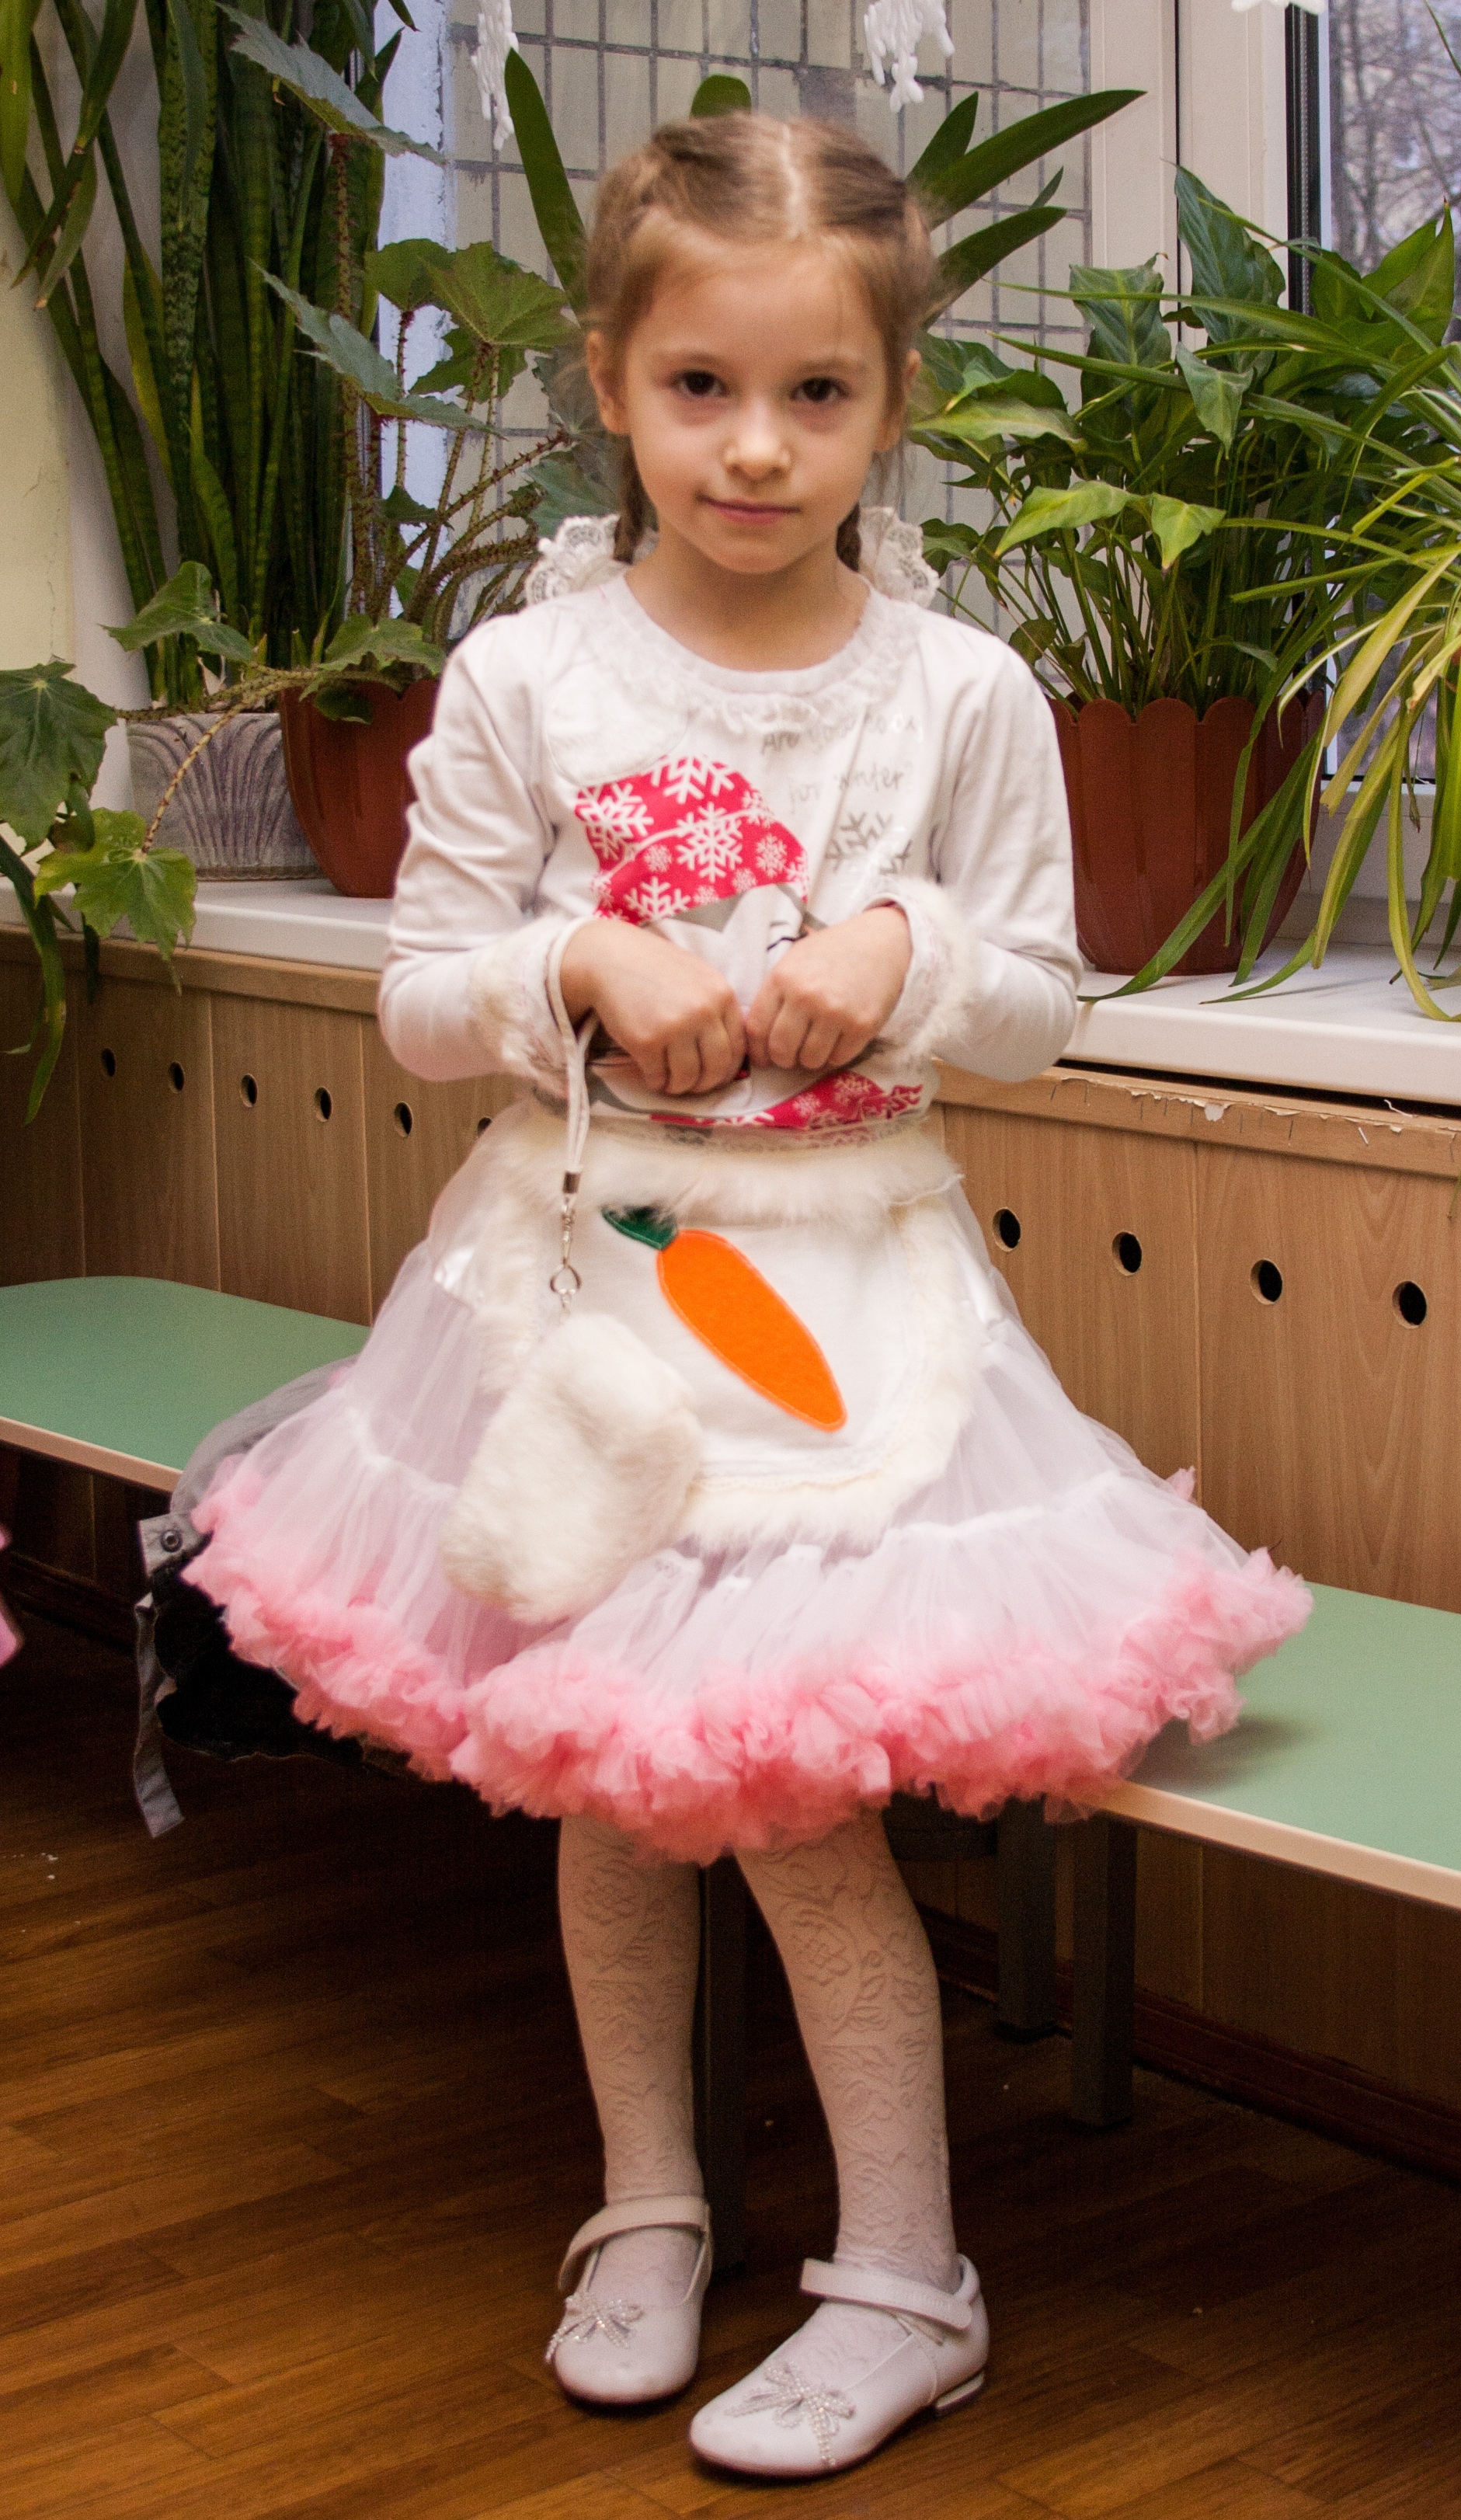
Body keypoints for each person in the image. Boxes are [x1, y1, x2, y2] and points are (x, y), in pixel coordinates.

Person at [186, 112, 1310, 2482]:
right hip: (575, 1298)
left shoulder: (957, 691)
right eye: (700, 385)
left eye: (816, 392)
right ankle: (649, 2201)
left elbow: (1041, 995)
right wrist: (577, 958)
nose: (756, 445)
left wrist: (904, 946)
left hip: (849, 1314)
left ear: (893, 402)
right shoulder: (526, 676)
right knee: (610, 1774)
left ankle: (907, 2273)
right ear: (608, 378)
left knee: (789, 1802)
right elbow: (419, 993)